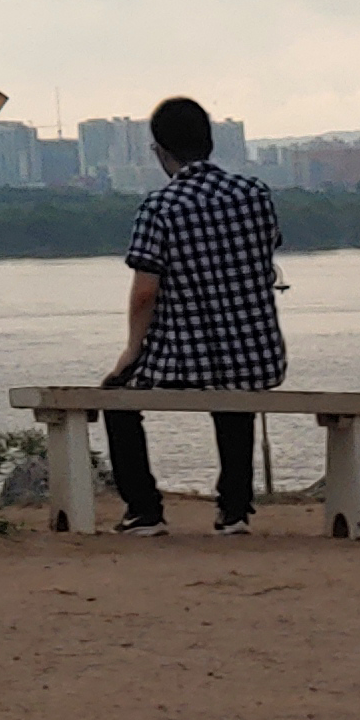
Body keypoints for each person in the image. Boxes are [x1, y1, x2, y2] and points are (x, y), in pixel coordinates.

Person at [102, 95, 283, 535]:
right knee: (234, 389)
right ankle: (234, 510)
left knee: (115, 398)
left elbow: (145, 292)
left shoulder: (160, 207)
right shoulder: (255, 194)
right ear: (210, 142)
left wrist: (130, 352)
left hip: (182, 358)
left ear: (160, 150)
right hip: (258, 355)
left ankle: (144, 509)